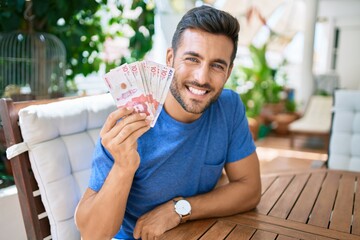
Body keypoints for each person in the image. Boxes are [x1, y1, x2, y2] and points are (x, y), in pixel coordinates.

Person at [75, 5, 261, 240]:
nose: (202, 78)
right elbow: (92, 234)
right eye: (192, 59)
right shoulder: (131, 121)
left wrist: (179, 209)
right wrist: (124, 166)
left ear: (229, 71)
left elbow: (250, 189)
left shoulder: (229, 106)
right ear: (170, 59)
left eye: (216, 65)